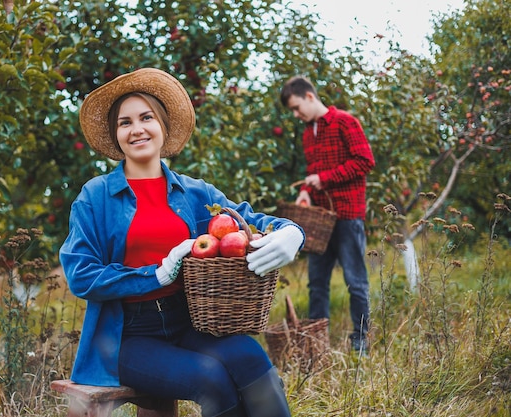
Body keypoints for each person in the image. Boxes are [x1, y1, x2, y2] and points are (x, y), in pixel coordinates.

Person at [59, 68, 305, 417]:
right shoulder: (95, 197)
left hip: (188, 322)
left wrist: (292, 233)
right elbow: (81, 275)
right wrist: (155, 275)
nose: (137, 129)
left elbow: (247, 220)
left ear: (163, 126)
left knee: (251, 358)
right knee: (212, 380)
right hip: (126, 337)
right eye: (125, 122)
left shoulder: (193, 193)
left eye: (146, 117)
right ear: (116, 136)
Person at [280, 75, 375, 355]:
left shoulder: (345, 122)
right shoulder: (308, 133)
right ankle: (316, 343)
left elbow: (364, 161)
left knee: (355, 282)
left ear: (310, 96)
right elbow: (314, 175)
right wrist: (307, 192)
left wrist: (325, 178)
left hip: (347, 215)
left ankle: (360, 343)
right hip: (320, 222)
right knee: (316, 284)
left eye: (297, 108)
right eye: (293, 112)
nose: (296, 115)